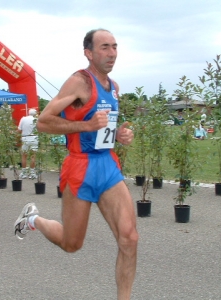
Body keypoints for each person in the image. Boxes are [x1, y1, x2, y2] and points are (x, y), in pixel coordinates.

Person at [14, 29, 138, 300]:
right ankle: (33, 218)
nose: (112, 53)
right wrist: (86, 125)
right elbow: (44, 121)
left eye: (115, 47)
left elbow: (104, 127)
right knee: (71, 244)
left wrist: (119, 134)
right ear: (89, 53)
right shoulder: (79, 81)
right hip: (80, 168)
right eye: (105, 47)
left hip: (107, 165)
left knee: (129, 238)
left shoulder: (114, 87)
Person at [17, 108, 38, 179]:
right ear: (35, 113)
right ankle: (32, 173)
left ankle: (24, 173)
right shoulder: (36, 120)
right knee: (33, 156)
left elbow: (19, 130)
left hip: (25, 138)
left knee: (24, 156)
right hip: (34, 138)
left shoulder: (23, 119)